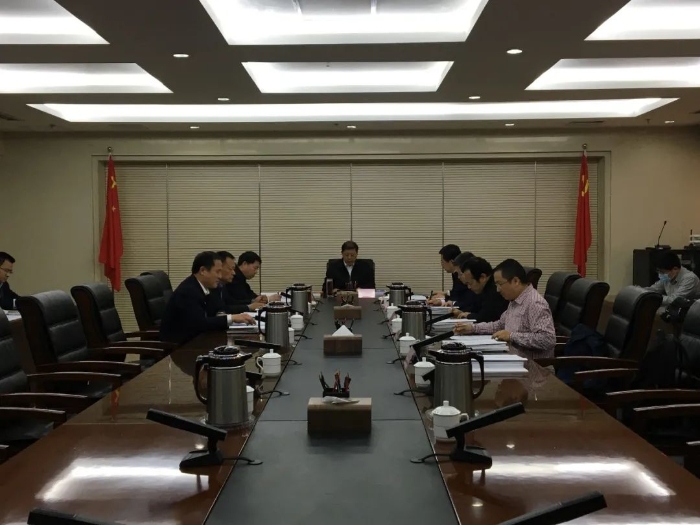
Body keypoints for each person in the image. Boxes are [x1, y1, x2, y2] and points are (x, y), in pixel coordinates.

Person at [454, 258, 556, 357]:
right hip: (512, 357)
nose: (497, 290)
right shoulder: (515, 300)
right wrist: (472, 328)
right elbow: (500, 325)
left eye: (500, 284)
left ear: (515, 281)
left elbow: (548, 339)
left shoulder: (535, 303)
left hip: (532, 364)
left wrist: (511, 336)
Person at [160, 251, 255, 344]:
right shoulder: (188, 291)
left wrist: (224, 314)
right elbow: (200, 323)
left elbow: (217, 309)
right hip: (181, 346)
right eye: (217, 272)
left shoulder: (204, 287)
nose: (220, 276)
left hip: (198, 339)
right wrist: (231, 318)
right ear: (203, 271)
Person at [207, 251, 265, 316]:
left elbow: (230, 303)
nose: (234, 273)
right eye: (230, 269)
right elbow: (221, 309)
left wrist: (252, 303)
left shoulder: (221, 286)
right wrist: (249, 306)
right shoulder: (211, 287)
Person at [453, 256, 508, 323]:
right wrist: (463, 313)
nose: (469, 287)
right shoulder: (484, 288)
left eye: (470, 283)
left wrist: (469, 316)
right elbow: (477, 308)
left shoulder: (494, 289)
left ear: (482, 277)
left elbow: (486, 318)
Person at [428, 245, 478, 311]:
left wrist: (443, 300)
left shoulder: (463, 274)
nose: (442, 265)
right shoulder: (456, 273)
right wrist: (445, 296)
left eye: (442, 261)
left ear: (451, 262)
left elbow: (465, 299)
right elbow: (459, 294)